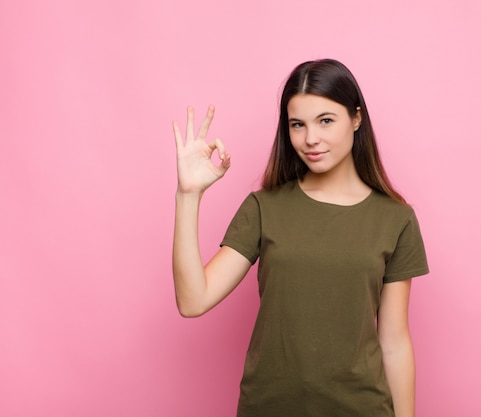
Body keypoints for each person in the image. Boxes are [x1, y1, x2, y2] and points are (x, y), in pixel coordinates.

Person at [172, 59, 429, 417]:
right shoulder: (265, 207)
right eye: (297, 125)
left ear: (356, 119)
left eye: (326, 121)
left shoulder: (395, 219)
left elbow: (394, 341)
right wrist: (188, 195)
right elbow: (192, 300)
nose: (310, 139)